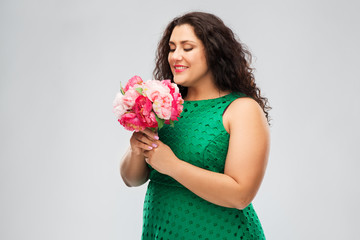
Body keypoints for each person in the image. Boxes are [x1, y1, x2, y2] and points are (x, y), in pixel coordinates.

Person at [120, 11, 271, 239]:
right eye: (172, 48)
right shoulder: (164, 106)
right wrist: (136, 149)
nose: (175, 56)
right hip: (162, 231)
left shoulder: (242, 109)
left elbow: (241, 195)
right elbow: (131, 179)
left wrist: (173, 166)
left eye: (187, 48)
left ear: (214, 52)